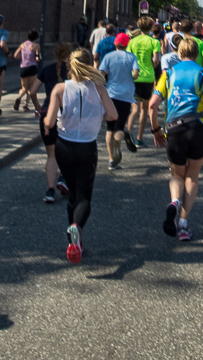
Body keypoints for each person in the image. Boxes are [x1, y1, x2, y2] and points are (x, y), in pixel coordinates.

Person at [43, 48, 117, 264]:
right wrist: (96, 116)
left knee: (73, 193)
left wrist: (56, 119)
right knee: (84, 196)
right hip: (87, 146)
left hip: (64, 147)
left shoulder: (59, 88)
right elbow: (113, 114)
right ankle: (76, 228)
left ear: (70, 66)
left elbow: (48, 122)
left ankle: (73, 240)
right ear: (89, 65)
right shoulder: (98, 88)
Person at [149, 37, 203, 242]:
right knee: (192, 176)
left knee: (177, 174)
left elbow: (152, 105)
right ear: (197, 54)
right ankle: (183, 224)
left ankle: (174, 202)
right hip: (198, 128)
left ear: (178, 54)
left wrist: (155, 130)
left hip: (174, 129)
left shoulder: (168, 74)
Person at [30, 42, 71, 204]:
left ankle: (50, 190)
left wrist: (38, 107)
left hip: (48, 113)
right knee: (69, 151)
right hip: (67, 114)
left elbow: (32, 91)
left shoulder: (46, 69)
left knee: (51, 155)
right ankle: (63, 179)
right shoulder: (73, 71)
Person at [99, 32, 139, 170]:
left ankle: (111, 159)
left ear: (115, 43)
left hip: (110, 93)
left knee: (110, 127)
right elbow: (136, 74)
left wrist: (105, 81)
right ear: (127, 44)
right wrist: (130, 77)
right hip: (125, 95)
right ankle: (121, 141)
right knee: (120, 125)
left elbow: (101, 73)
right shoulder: (131, 57)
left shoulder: (108, 56)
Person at [126, 16, 161, 148]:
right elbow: (156, 61)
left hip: (134, 76)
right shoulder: (154, 42)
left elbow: (129, 59)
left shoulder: (132, 42)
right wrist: (151, 65)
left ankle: (129, 132)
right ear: (151, 27)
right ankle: (140, 139)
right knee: (144, 109)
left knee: (134, 109)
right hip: (147, 77)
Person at [12, 30, 40, 111]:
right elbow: (38, 57)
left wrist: (23, 58)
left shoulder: (22, 45)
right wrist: (36, 58)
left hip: (23, 67)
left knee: (24, 88)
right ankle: (25, 105)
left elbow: (15, 55)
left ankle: (19, 98)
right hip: (32, 67)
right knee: (31, 87)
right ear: (35, 37)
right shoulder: (36, 45)